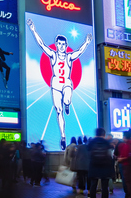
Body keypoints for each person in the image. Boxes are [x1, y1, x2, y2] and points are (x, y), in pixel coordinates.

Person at [26, 18, 92, 150]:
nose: (61, 46)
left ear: (66, 45)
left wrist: (86, 42)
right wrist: (33, 30)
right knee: (59, 111)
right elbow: (42, 45)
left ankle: (67, 103)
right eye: (59, 44)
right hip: (55, 84)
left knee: (67, 99)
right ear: (56, 44)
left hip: (67, 83)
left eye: (63, 44)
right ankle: (63, 136)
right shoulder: (53, 55)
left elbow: (79, 52)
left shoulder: (69, 56)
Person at [87, 128, 115, 198]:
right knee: (104, 187)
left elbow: (88, 152)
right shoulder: (106, 142)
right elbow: (110, 154)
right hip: (105, 167)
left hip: (93, 166)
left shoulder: (91, 142)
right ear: (104, 134)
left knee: (93, 185)